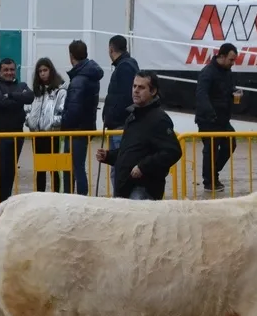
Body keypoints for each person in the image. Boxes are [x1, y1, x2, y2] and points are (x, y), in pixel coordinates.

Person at [95, 71, 182, 200]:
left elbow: (172, 151)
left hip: (143, 190)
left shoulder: (159, 119)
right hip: (125, 188)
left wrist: (143, 167)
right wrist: (108, 156)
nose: (136, 90)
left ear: (153, 91)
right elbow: (129, 152)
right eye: (134, 86)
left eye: (141, 87)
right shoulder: (132, 117)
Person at [0, 58, 34, 207]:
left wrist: (11, 96)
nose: (9, 72)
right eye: (6, 70)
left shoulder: (21, 85)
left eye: (11, 69)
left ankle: (6, 202)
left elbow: (30, 97)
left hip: (17, 135)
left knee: (10, 171)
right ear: (0, 71)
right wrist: (18, 99)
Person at [60, 40, 104, 195]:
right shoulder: (91, 75)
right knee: (78, 167)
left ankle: (74, 198)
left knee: (73, 168)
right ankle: (79, 197)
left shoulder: (79, 79)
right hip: (85, 126)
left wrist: (62, 122)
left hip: (75, 129)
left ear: (71, 55)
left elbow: (74, 108)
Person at [194, 43, 240, 191]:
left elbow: (229, 88)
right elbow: (201, 94)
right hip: (208, 119)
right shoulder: (207, 72)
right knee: (211, 150)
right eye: (231, 60)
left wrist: (235, 92)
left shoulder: (228, 72)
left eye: (234, 60)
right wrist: (210, 114)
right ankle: (209, 181)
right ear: (222, 56)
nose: (232, 63)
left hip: (223, 119)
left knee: (230, 144)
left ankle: (213, 172)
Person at [100, 35, 139, 192]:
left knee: (119, 167)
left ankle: (121, 197)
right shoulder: (128, 65)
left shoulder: (124, 67)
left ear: (111, 49)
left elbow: (124, 97)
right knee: (118, 166)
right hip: (119, 124)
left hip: (120, 125)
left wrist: (111, 116)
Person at [24, 57, 67, 193]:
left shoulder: (60, 91)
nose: (42, 73)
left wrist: (51, 123)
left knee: (54, 169)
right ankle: (40, 196)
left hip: (53, 135)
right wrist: (29, 121)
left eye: (45, 70)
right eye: (40, 71)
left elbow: (63, 113)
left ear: (51, 71)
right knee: (40, 170)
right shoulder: (36, 92)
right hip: (37, 135)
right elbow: (28, 109)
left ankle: (55, 196)